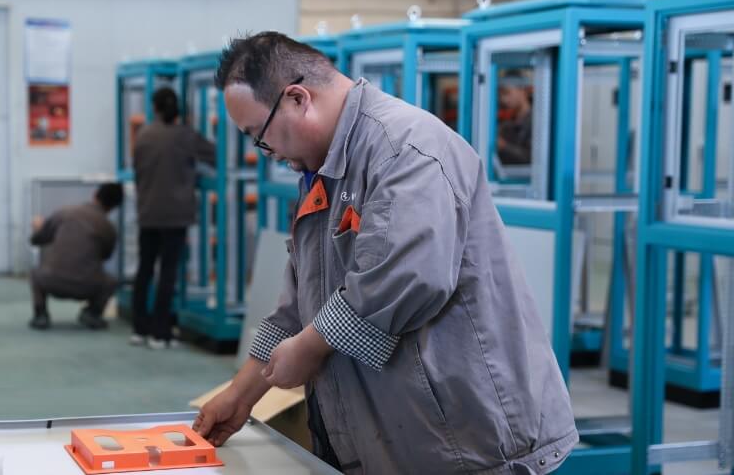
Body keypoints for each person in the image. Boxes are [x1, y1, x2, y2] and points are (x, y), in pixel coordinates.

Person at [194, 32, 577, 474]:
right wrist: (239, 396)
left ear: (298, 99)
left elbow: (406, 278)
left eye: (259, 136)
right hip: (399, 440)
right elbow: (300, 304)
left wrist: (312, 346)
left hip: (469, 445)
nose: (266, 153)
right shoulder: (323, 172)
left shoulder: (405, 150)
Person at [130, 88, 215, 350]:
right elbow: (215, 155)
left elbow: (138, 170)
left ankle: (139, 329)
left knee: (144, 270)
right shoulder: (185, 135)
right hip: (176, 215)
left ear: (154, 107)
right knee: (167, 273)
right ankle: (161, 332)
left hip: (148, 212)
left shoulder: (144, 135)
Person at [29, 182, 123, 330]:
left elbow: (37, 240)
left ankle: (40, 314)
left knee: (35, 273)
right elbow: (105, 256)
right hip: (87, 287)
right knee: (111, 281)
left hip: (52, 282)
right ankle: (92, 313)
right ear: (114, 206)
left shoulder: (64, 212)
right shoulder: (109, 228)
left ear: (95, 195)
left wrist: (38, 228)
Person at [497, 70, 533, 166]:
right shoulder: (507, 121)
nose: (503, 99)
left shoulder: (535, 121)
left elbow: (531, 158)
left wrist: (503, 146)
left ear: (522, 90)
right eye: (500, 94)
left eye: (507, 92)